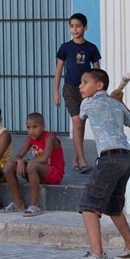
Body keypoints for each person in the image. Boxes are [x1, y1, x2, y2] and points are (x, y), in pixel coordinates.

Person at [69, 69, 130, 259]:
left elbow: (81, 118)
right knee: (113, 207)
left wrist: (112, 101)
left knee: (88, 205)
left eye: (85, 83)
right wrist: (119, 102)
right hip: (127, 158)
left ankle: (97, 256)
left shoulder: (87, 103)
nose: (80, 86)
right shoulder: (116, 104)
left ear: (99, 86)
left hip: (109, 160)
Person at [53, 12, 101, 174]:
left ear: (85, 27)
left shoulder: (91, 48)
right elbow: (59, 70)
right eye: (72, 26)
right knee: (77, 123)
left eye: (78, 26)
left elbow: (97, 70)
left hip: (86, 90)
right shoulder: (65, 48)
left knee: (82, 123)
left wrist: (98, 89)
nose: (75, 29)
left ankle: (76, 156)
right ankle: (81, 160)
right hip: (70, 89)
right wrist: (56, 92)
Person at [3, 112, 65, 217]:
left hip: (54, 173)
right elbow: (19, 155)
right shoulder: (30, 139)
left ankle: (36, 205)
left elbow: (45, 159)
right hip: (38, 170)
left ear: (43, 126)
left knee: (31, 165)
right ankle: (18, 203)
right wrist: (20, 161)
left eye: (35, 127)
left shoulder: (49, 138)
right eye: (28, 127)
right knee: (9, 166)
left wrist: (27, 162)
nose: (31, 131)